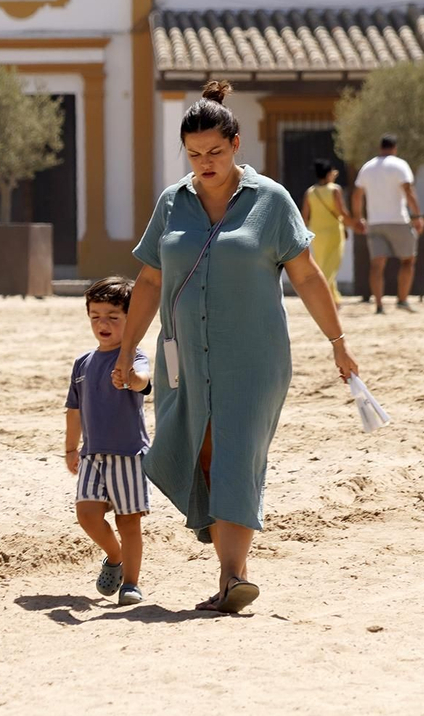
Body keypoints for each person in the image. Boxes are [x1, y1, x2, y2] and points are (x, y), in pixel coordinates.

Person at [117, 80, 361, 615]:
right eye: (195, 154)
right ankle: (224, 542)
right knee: (202, 452)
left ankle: (233, 576)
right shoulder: (172, 202)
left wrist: (338, 342)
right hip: (184, 357)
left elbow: (309, 276)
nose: (205, 163)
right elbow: (151, 281)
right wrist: (126, 348)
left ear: (236, 144)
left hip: (254, 359)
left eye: (216, 152)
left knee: (238, 453)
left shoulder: (270, 201)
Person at [64, 276, 152, 606]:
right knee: (87, 514)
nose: (103, 323)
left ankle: (131, 583)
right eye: (95, 316)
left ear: (131, 319)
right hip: (92, 455)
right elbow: (73, 409)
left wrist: (129, 377)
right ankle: (114, 556)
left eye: (113, 317)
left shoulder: (134, 356)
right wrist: (71, 448)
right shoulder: (83, 363)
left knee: (128, 522)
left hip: (129, 454)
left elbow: (144, 381)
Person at [352, 134, 424, 314]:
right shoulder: (400, 165)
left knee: (377, 265)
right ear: (395, 148)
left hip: (375, 222)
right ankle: (402, 300)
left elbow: (357, 195)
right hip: (398, 220)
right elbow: (408, 191)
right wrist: (417, 216)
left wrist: (358, 217)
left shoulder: (367, 167)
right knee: (408, 260)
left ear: (380, 147)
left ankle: (378, 305)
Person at [301, 159, 357, 305]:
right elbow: (342, 212)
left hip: (317, 234)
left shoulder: (310, 192)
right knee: (332, 264)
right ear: (328, 174)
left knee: (322, 263)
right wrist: (354, 225)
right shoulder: (335, 189)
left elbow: (305, 216)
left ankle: (333, 299)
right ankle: (317, 291)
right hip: (333, 232)